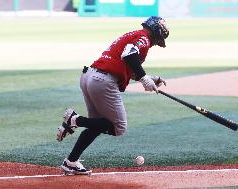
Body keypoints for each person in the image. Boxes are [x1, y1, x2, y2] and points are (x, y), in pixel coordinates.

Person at [57, 16, 169, 175]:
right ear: (157, 33)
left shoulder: (133, 35)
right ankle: (75, 119)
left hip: (90, 75)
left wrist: (148, 77)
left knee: (97, 124)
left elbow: (124, 65)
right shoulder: (144, 39)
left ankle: (71, 162)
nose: (157, 43)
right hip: (102, 81)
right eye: (159, 40)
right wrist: (143, 77)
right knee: (119, 127)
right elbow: (129, 55)